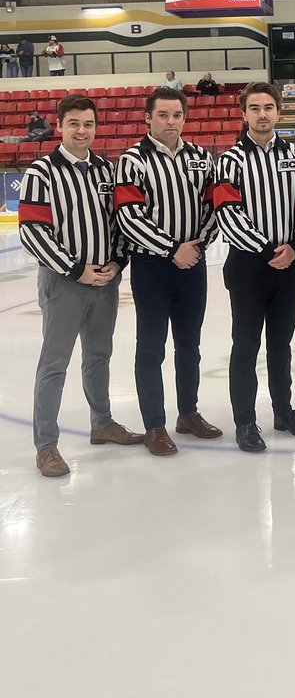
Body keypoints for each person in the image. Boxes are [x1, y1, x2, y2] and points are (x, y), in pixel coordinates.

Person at [19, 94, 143, 477]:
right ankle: (46, 445)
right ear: (59, 125)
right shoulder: (41, 173)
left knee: (99, 355)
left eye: (88, 124)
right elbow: (33, 232)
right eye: (73, 123)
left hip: (105, 281)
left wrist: (118, 261)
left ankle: (101, 422)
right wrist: (76, 270)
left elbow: (120, 223)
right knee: (55, 363)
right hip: (64, 283)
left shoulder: (106, 170)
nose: (82, 131)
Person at [114, 86, 222, 455]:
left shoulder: (201, 158)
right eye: (162, 115)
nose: (170, 121)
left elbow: (214, 209)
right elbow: (129, 217)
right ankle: (155, 426)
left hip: (193, 264)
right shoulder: (132, 160)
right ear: (148, 117)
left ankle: (188, 414)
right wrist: (173, 248)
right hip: (152, 267)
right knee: (151, 347)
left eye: (176, 115)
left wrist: (196, 247)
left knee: (189, 345)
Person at [215, 82, 295, 452]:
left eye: (268, 107)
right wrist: (266, 249)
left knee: (281, 344)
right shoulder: (229, 161)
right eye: (255, 108)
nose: (262, 114)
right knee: (245, 345)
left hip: (290, 264)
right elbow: (228, 213)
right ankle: (245, 421)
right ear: (244, 114)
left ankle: (283, 411)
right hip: (249, 266)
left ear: (279, 112)